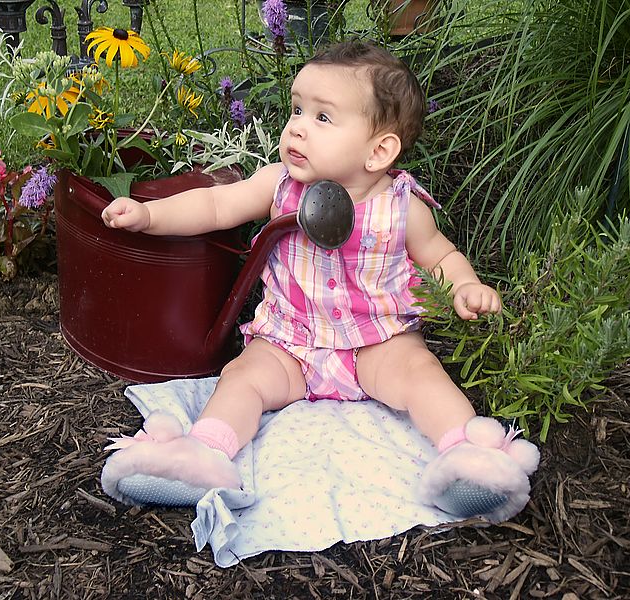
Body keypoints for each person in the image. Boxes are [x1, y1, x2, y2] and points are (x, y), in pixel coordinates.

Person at [99, 40, 539, 523]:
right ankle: (202, 453)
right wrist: (148, 214)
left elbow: (440, 255)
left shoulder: (400, 207)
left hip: (378, 344)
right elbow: (215, 205)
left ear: (378, 150)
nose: (297, 128)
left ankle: (465, 457)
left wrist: (463, 287)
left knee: (421, 375)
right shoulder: (279, 185)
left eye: (322, 118)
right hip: (290, 342)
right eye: (296, 110)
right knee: (242, 378)